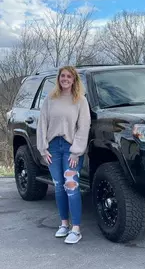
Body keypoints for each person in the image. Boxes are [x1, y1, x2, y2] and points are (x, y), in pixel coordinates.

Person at [37, 66, 91, 244]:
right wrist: (43, 148)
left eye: (69, 76)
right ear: (58, 79)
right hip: (52, 147)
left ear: (74, 80)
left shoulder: (80, 100)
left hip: (70, 148)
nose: (65, 79)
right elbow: (42, 123)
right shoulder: (50, 99)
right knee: (58, 186)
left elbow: (84, 127)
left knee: (71, 186)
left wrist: (76, 152)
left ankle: (76, 229)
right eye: (62, 76)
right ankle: (64, 224)